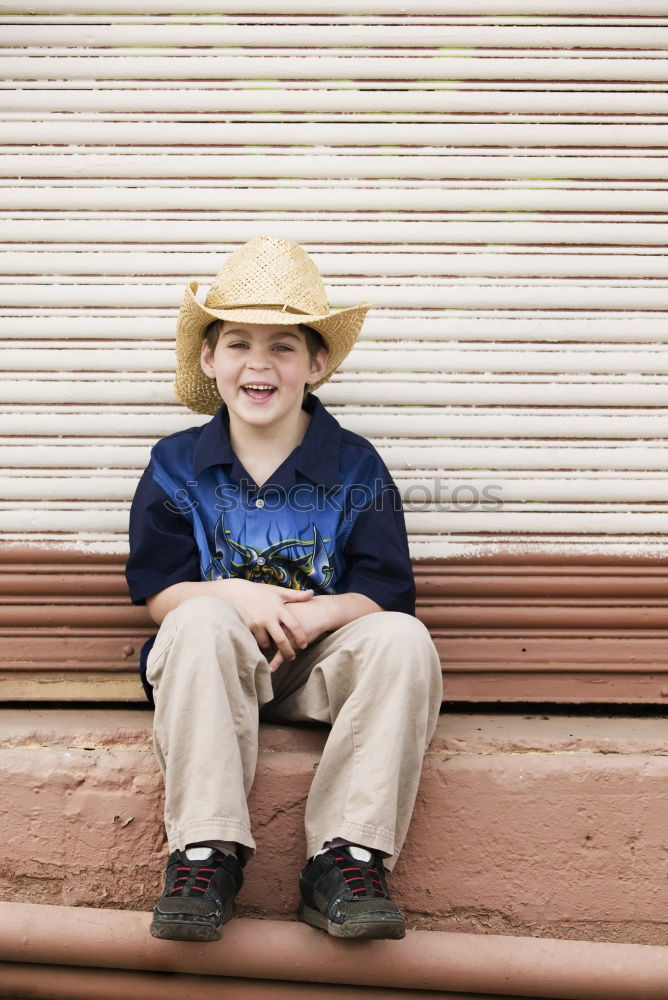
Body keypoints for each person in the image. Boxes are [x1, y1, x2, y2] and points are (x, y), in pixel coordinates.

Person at [125, 236, 442, 943]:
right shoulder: (177, 465)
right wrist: (235, 595)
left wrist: (324, 610)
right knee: (200, 619)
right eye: (238, 342)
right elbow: (157, 590)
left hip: (316, 672)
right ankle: (205, 852)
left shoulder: (355, 465)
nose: (259, 363)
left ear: (317, 363)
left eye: (283, 346)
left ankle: (346, 858)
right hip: (209, 672)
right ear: (210, 359)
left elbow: (384, 591)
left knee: (404, 640)